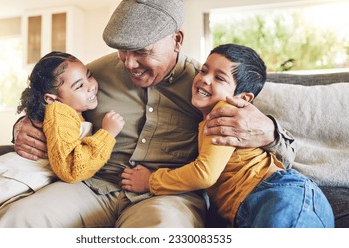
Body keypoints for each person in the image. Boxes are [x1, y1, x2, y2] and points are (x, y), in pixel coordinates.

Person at [0, 0, 295, 228]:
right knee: (19, 220)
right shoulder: (93, 74)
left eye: (141, 51)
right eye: (122, 51)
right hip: (91, 188)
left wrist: (270, 132)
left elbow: (280, 151)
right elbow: (50, 101)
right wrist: (23, 124)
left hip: (167, 199)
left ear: (177, 40)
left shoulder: (206, 89)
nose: (129, 63)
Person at [120, 43, 334, 228]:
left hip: (279, 194)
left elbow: (204, 174)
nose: (205, 79)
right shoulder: (207, 118)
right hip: (254, 206)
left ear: (243, 98)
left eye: (219, 78)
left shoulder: (224, 114)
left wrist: (151, 181)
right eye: (204, 71)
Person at [0, 51, 124, 227]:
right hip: (6, 179)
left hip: (22, 181)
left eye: (89, 76)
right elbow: (71, 168)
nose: (90, 86)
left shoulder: (73, 113)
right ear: (51, 99)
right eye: (79, 86)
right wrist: (107, 134)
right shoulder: (59, 113)